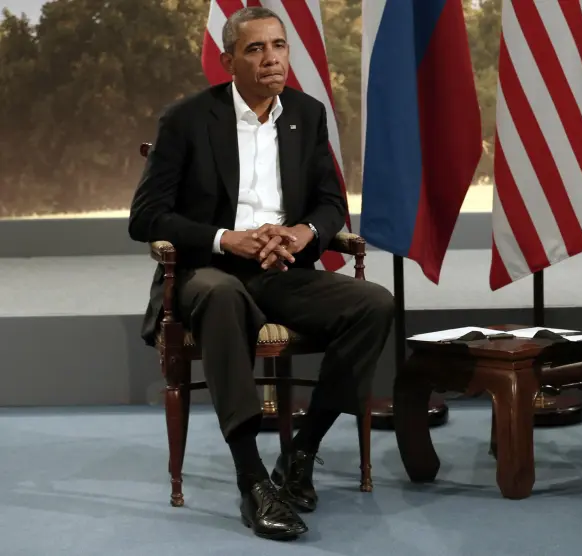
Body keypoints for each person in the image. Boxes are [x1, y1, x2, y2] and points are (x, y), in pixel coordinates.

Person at [128, 7, 393, 541]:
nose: (271, 58)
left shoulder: (307, 113)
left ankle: (301, 453)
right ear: (228, 60)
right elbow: (146, 217)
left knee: (374, 304)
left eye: (278, 46)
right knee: (223, 297)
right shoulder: (186, 119)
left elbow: (329, 205)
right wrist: (228, 238)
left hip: (282, 268)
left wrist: (301, 234)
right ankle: (252, 479)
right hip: (210, 270)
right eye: (255, 49)